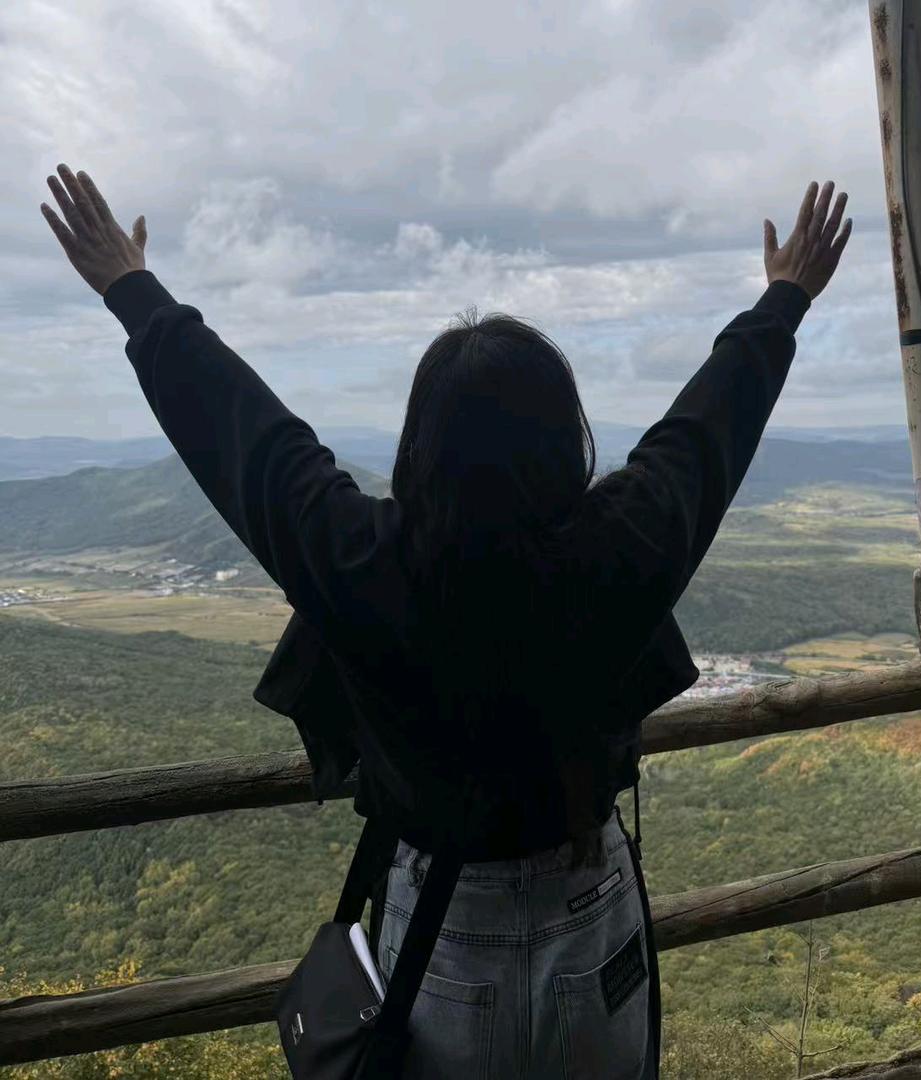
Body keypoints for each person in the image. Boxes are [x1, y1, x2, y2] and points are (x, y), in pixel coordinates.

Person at [42, 168, 851, 1079]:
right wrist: (783, 299)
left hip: (442, 936)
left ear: (420, 444)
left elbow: (252, 441)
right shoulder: (618, 548)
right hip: (596, 909)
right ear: (563, 439)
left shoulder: (363, 561)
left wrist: (132, 291)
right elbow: (705, 433)